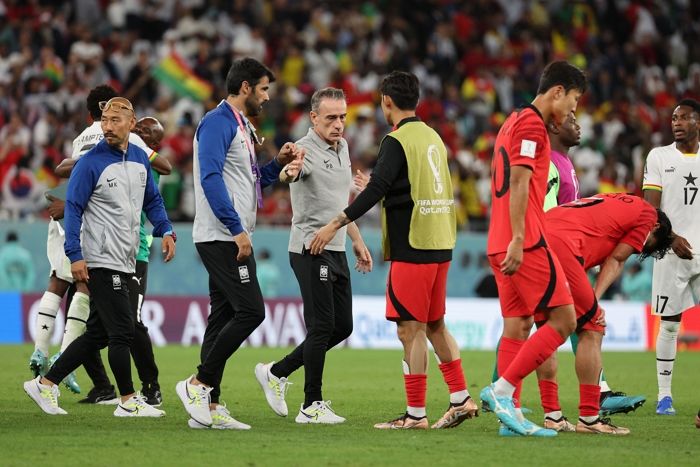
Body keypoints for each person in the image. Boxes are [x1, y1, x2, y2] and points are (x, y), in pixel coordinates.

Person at [310, 71, 478, 430]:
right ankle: (461, 397)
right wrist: (380, 186)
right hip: (440, 242)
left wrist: (336, 222)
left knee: (409, 329)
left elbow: (375, 193)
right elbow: (417, 186)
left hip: (412, 244)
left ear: (386, 101)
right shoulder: (433, 137)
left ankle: (416, 415)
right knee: (435, 324)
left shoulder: (396, 140)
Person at [23, 96, 176, 418]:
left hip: (127, 256)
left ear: (131, 124)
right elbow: (74, 210)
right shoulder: (90, 162)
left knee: (99, 333)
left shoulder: (138, 157)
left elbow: (153, 200)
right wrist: (76, 256)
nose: (108, 126)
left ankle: (46, 384)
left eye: (115, 120)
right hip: (100, 258)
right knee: (123, 331)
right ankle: (128, 400)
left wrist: (167, 230)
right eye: (105, 120)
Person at [175, 57, 301, 430]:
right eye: (263, 88)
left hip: (230, 234)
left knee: (223, 316)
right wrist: (236, 228)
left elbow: (248, 180)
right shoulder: (216, 123)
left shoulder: (240, 125)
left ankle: (209, 407)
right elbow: (211, 179)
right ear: (245, 87)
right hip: (222, 235)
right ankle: (197, 383)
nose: (266, 96)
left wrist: (277, 166)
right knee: (251, 311)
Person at [479, 60, 586, 437]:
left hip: (499, 239)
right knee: (564, 321)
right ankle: (502, 392)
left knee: (519, 324)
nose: (571, 112)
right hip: (523, 240)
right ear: (557, 91)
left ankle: (512, 420)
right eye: (572, 103)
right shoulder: (531, 125)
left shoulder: (512, 119)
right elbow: (521, 181)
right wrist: (521, 240)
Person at [254, 87, 372, 424]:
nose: (338, 124)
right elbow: (289, 174)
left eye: (342, 117)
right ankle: (311, 405)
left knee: (343, 327)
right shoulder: (303, 149)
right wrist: (287, 172)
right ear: (313, 118)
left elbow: (338, 206)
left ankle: (276, 372)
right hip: (310, 248)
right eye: (331, 117)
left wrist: (358, 240)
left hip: (336, 248)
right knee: (321, 327)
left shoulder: (344, 147)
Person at [535, 193, 674, 436]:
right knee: (592, 327)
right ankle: (589, 418)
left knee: (548, 330)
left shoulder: (615, 202)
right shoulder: (647, 214)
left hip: (535, 234)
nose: (638, 248)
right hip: (563, 243)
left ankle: (552, 416)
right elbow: (617, 259)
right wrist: (594, 301)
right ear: (656, 227)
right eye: (647, 244)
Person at [643, 98, 700, 416]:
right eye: (674, 118)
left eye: (685, 118)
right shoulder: (659, 156)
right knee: (670, 323)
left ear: (698, 123)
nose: (676, 122)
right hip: (669, 250)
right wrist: (671, 237)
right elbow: (650, 208)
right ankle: (664, 396)